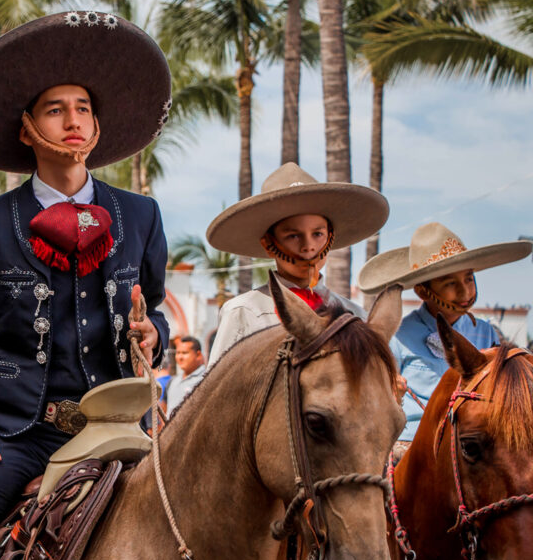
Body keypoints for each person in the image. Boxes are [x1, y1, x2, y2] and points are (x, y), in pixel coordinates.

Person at [0, 11, 171, 560]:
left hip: (119, 427)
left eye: (83, 108)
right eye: (55, 110)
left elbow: (154, 312)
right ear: (27, 128)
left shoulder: (140, 215)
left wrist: (154, 332)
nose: (73, 120)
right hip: (14, 434)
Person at [358, 222, 532, 443]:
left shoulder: (486, 333)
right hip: (412, 444)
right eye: (450, 283)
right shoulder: (399, 336)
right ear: (423, 291)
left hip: (470, 442)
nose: (464, 291)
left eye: (468, 278)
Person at [205, 163, 389, 368]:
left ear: (330, 237)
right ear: (268, 244)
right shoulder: (244, 311)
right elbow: (217, 388)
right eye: (293, 236)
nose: (308, 247)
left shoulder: (354, 315)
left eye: (317, 234)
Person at [165, 336, 206, 414]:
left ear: (198, 355)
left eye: (184, 353)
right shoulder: (173, 381)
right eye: (178, 353)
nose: (180, 357)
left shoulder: (205, 378)